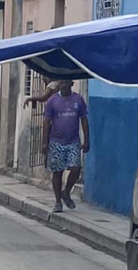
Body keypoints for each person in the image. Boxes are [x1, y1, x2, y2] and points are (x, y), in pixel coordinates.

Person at [41, 79, 89, 212]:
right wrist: (45, 142)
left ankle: (66, 191)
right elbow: (46, 122)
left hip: (73, 141)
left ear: (72, 84)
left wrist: (87, 140)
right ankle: (57, 202)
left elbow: (84, 120)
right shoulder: (52, 101)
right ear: (59, 85)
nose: (64, 85)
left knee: (76, 168)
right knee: (58, 172)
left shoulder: (78, 100)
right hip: (56, 141)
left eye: (67, 83)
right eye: (62, 83)